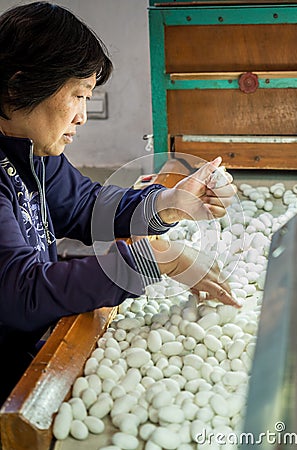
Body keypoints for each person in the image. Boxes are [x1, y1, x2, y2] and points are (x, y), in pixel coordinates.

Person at [0, 1, 238, 405]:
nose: (82, 116)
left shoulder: (35, 154)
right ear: (18, 86)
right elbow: (19, 293)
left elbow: (87, 206)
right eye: (77, 95)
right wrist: (154, 258)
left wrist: (170, 202)